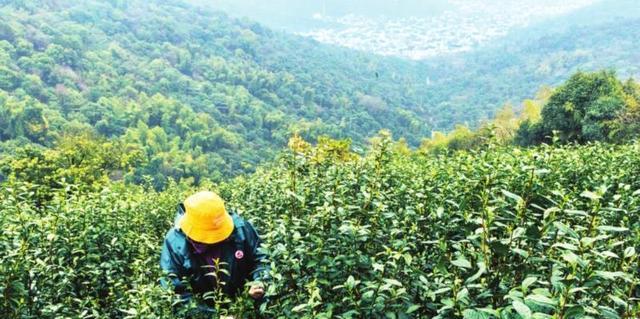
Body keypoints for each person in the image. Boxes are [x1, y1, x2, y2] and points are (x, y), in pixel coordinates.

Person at [160, 191, 269, 312]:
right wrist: (212, 315)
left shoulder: (240, 228)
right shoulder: (175, 244)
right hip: (204, 310)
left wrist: (259, 280)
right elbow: (176, 294)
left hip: (245, 308)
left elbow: (261, 259)